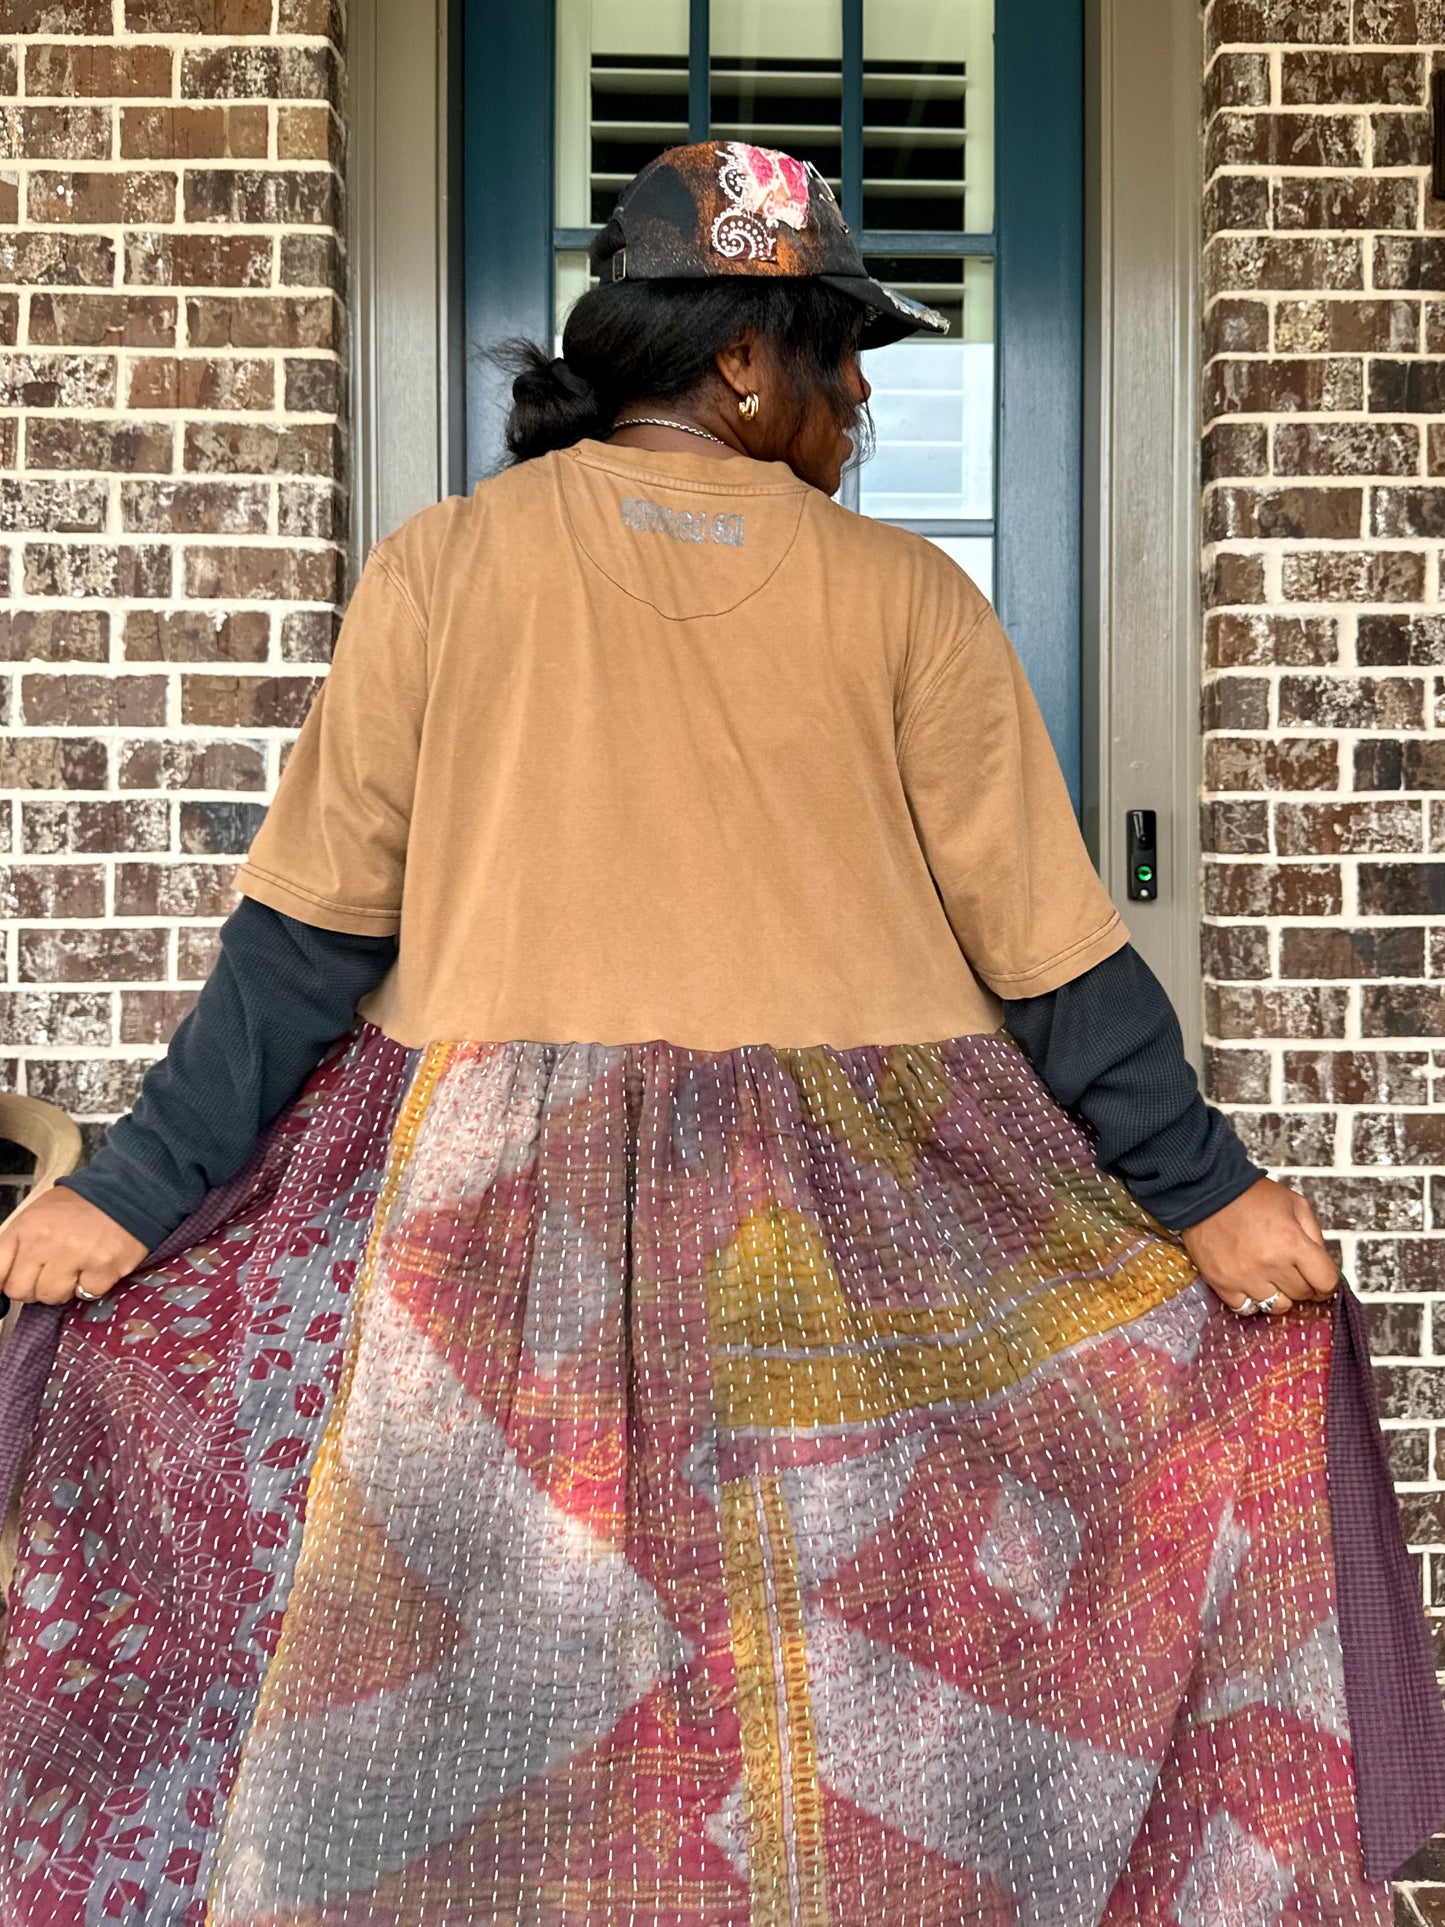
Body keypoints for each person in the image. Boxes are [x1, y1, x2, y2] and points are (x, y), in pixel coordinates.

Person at [0, 140, 1437, 1925]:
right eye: (842, 359)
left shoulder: (441, 567)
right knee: (830, 1730)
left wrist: (131, 1194)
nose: (859, 405)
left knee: (513, 1748)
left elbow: (301, 950)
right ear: (744, 361)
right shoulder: (906, 598)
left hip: (487, 1251)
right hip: (852, 1248)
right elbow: (1056, 972)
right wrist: (1210, 1196)